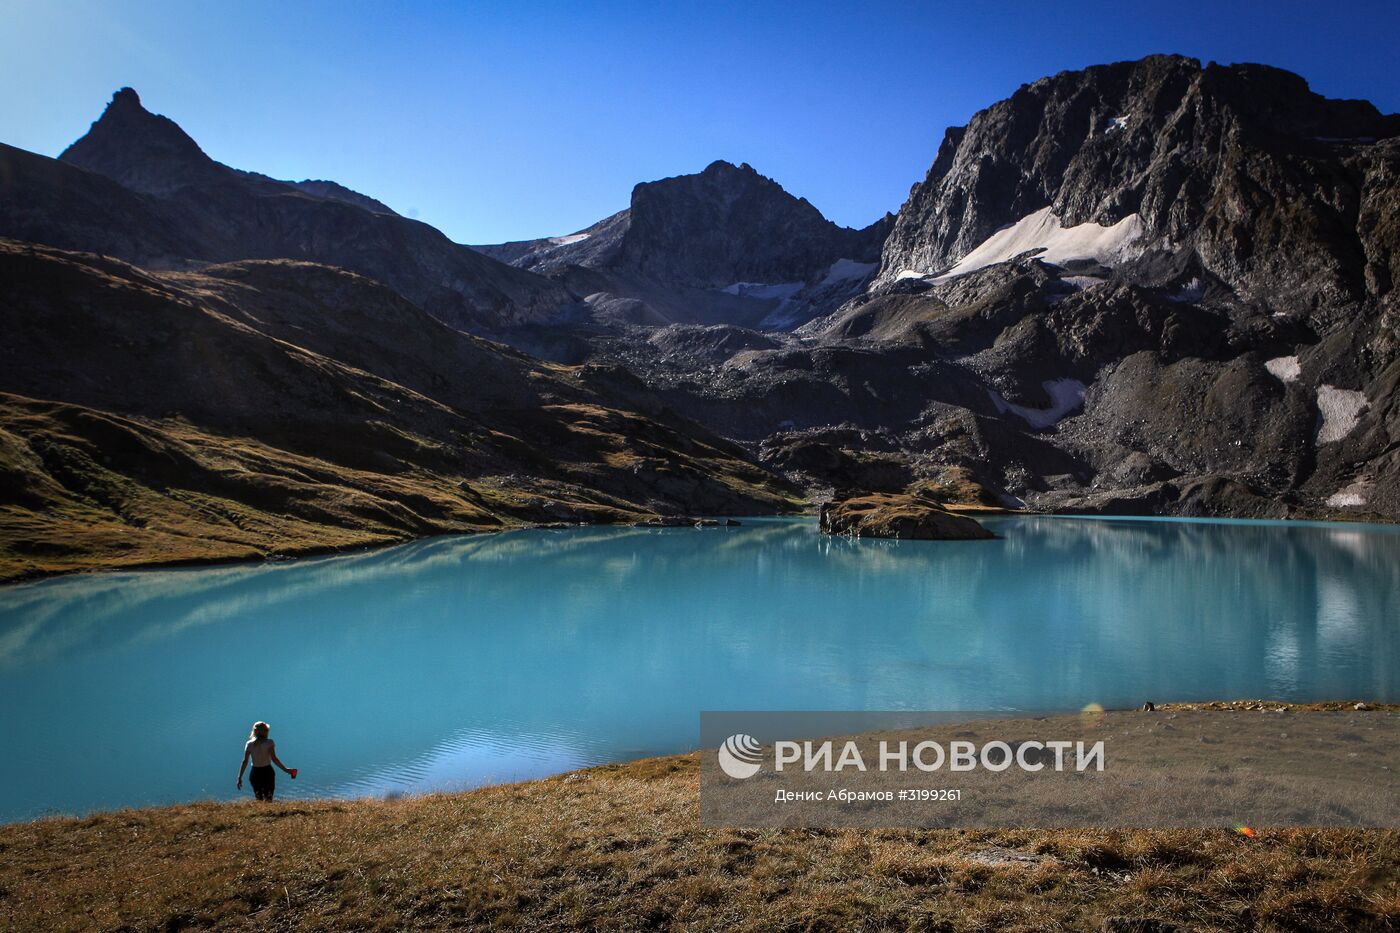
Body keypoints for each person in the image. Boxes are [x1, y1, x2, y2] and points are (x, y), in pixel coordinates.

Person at [237, 721, 296, 801]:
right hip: (267, 772)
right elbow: (274, 759)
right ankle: (269, 812)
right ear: (266, 731)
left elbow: (245, 761)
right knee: (269, 797)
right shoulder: (269, 742)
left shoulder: (249, 744)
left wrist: (240, 777)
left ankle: (261, 812)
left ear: (254, 731)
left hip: (255, 773)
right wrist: (286, 770)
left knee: (259, 797)